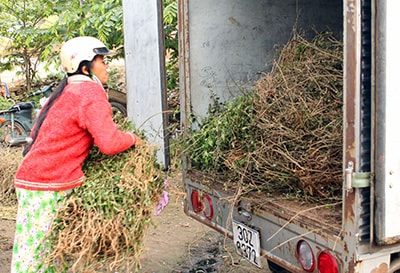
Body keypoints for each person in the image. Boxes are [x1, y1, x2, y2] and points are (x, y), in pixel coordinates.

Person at [10, 36, 142, 273]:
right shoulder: (89, 94)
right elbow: (109, 143)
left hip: (35, 179)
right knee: (35, 261)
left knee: (45, 254)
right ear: (84, 66)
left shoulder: (67, 91)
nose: (106, 65)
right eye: (101, 60)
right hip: (46, 184)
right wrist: (133, 139)